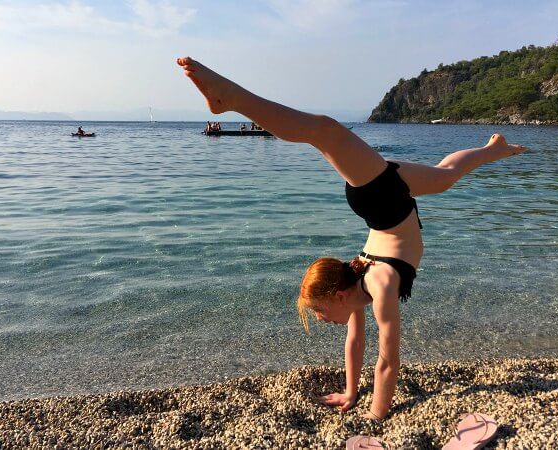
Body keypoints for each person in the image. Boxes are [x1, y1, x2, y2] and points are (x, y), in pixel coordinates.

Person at [176, 57, 527, 421]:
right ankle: (495, 148)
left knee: (325, 131)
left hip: (383, 202)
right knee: (444, 175)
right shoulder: (359, 288)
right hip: (388, 199)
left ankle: (232, 99)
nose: (323, 319)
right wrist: (350, 391)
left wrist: (377, 416)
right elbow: (356, 343)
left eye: (321, 311)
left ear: (339, 295)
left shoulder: (379, 284)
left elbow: (389, 362)